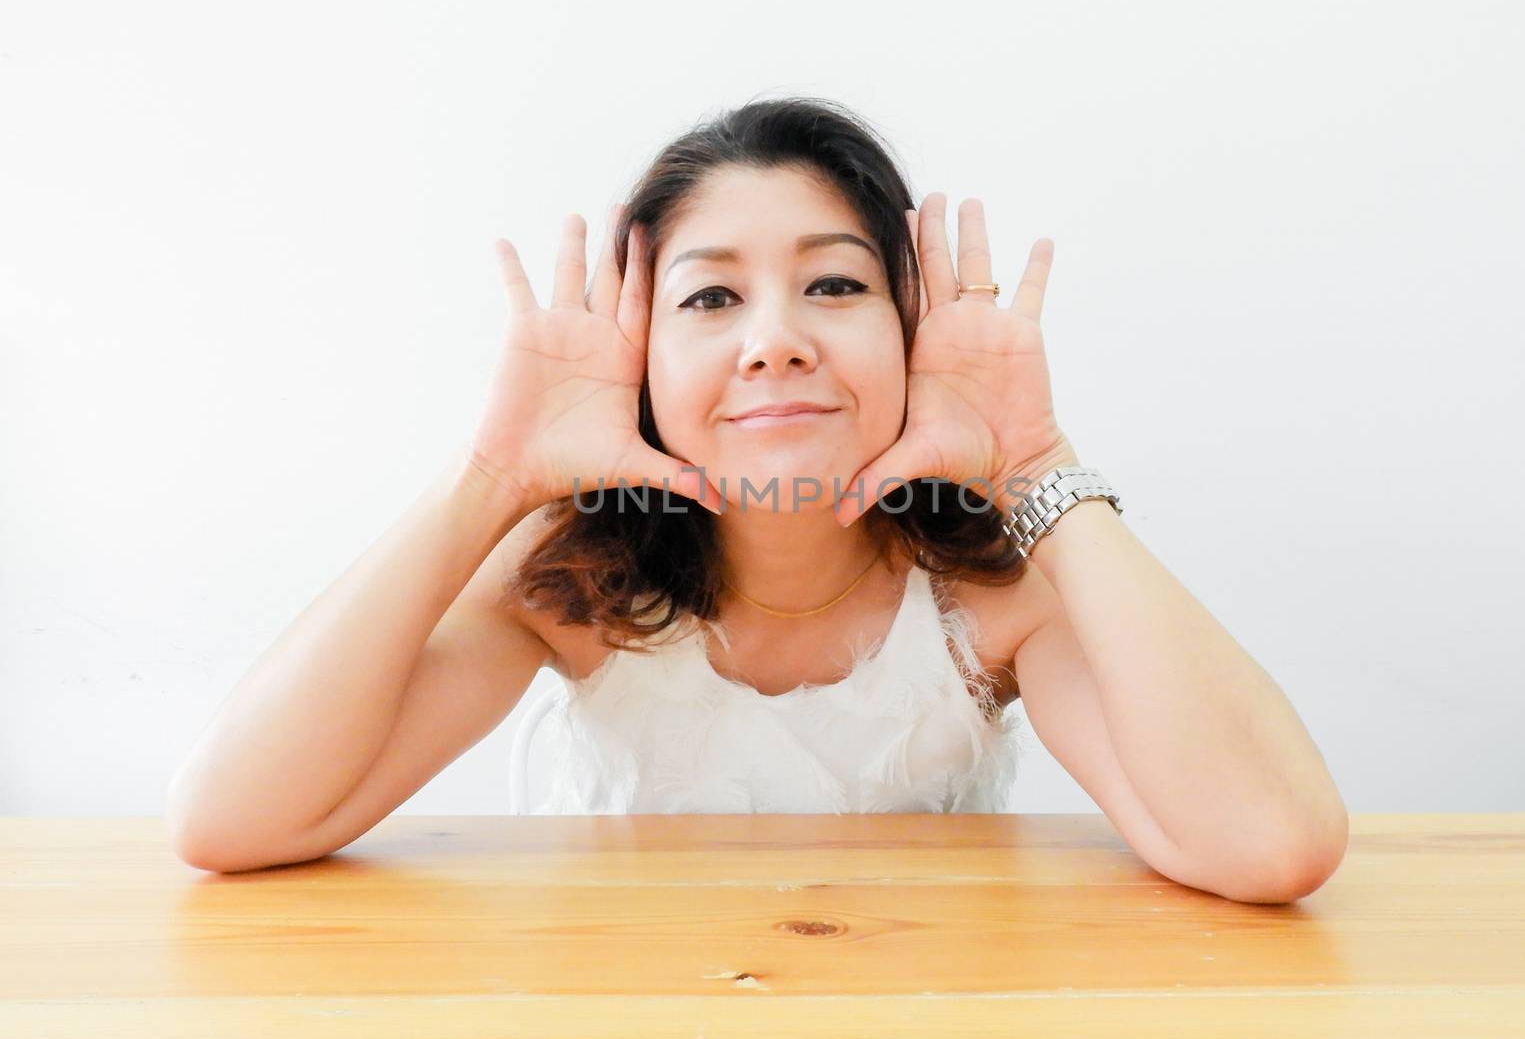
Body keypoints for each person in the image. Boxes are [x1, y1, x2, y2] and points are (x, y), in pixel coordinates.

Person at [165, 96, 1347, 903]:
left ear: (910, 329)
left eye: (834, 283)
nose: (775, 342)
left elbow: (1272, 842)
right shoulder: (568, 587)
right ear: (637, 359)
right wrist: (492, 480)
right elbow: (230, 820)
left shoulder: (991, 600)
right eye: (711, 299)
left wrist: (1037, 466)